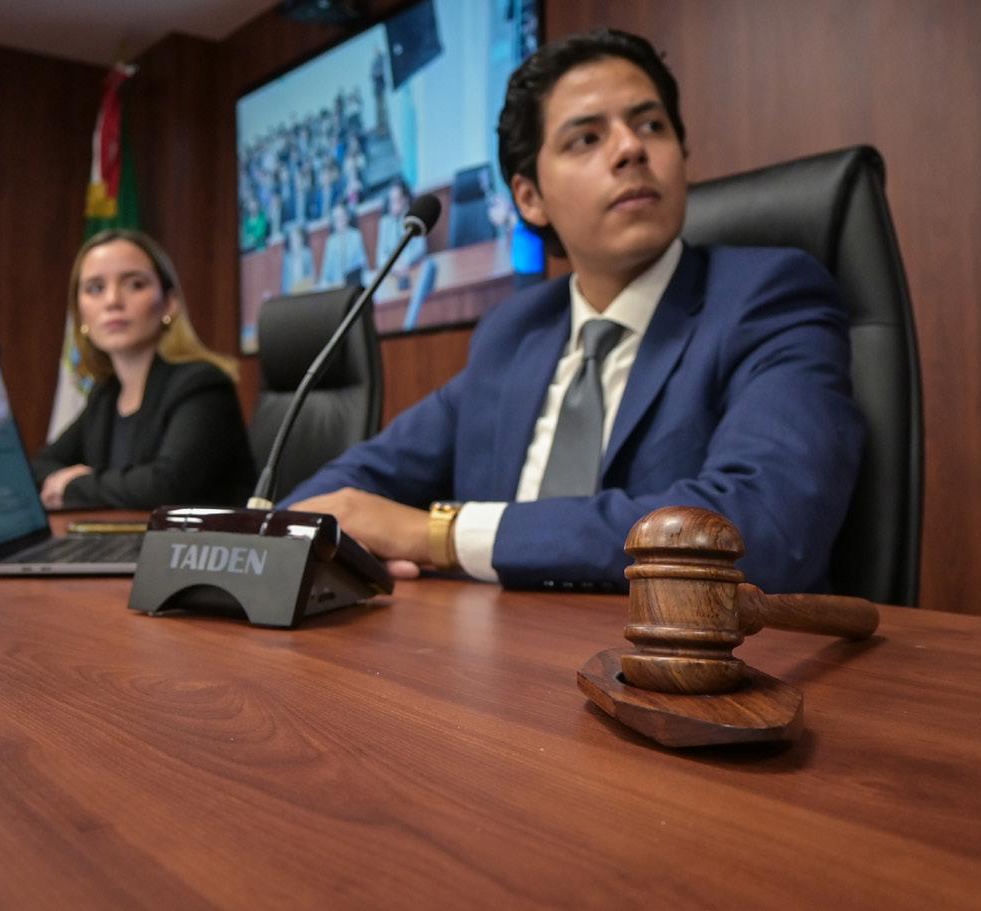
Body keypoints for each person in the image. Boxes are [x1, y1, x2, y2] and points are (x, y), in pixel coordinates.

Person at [285, 29, 864, 594]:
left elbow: (766, 527)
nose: (631, 148)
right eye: (586, 138)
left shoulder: (768, 298)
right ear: (529, 198)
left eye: (651, 125)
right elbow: (355, 487)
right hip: (489, 647)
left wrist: (439, 536)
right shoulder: (514, 332)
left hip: (674, 652)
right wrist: (301, 532)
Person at [33, 229, 256, 510]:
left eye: (135, 284)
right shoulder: (106, 394)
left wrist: (76, 485)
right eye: (95, 288)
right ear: (81, 314)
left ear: (170, 304)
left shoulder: (202, 384)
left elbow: (164, 488)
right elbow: (39, 466)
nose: (113, 301)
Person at [374, 179, 428, 287]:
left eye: (396, 200)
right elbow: (380, 256)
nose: (392, 205)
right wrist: (393, 265)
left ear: (405, 200)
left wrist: (404, 262)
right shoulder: (385, 223)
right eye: (391, 201)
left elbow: (420, 248)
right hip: (393, 275)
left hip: (414, 271)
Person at [318, 202, 370, 288]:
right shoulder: (331, 241)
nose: (340, 221)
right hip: (336, 287)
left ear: (347, 217)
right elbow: (325, 273)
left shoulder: (356, 235)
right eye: (336, 218)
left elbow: (363, 264)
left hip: (353, 286)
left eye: (342, 216)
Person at [280, 222, 317, 294]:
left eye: (297, 238)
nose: (295, 242)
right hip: (291, 294)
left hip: (306, 291)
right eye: (292, 239)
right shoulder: (287, 258)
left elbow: (312, 276)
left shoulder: (307, 254)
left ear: (301, 240)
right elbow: (284, 283)